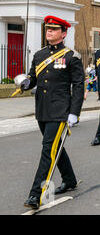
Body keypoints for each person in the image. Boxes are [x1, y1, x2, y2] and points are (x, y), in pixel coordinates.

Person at [20, 15, 84, 209]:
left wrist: (74, 112)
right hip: (42, 109)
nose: (49, 31)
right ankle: (70, 179)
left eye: (54, 29)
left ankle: (35, 195)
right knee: (55, 147)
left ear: (63, 33)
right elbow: (33, 77)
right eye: (48, 28)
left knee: (48, 150)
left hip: (60, 111)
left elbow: (79, 86)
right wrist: (25, 82)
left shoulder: (71, 56)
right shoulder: (39, 55)